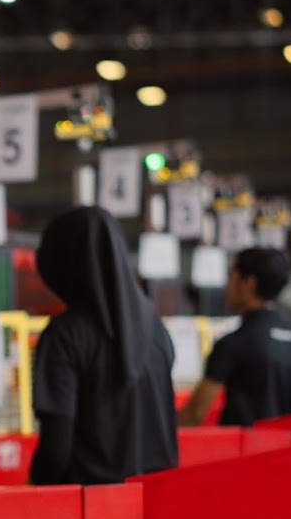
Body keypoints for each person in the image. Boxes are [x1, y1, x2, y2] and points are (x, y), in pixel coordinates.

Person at [29, 206, 179, 485]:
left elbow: (55, 450)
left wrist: (33, 491)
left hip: (89, 509)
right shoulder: (156, 328)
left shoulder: (64, 336)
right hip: (155, 501)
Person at [178, 247, 291, 427]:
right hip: (286, 452)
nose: (227, 286)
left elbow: (195, 414)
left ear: (249, 283)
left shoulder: (232, 344)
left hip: (246, 452)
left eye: (231, 277)